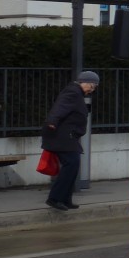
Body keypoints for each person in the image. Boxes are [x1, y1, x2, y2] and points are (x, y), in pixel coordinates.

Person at [41, 70, 99, 212]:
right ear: (84, 82)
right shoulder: (73, 92)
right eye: (92, 86)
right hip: (61, 136)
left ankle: (65, 199)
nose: (92, 90)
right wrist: (52, 121)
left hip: (67, 136)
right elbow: (60, 107)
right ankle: (55, 198)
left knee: (72, 166)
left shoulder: (77, 93)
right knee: (71, 164)